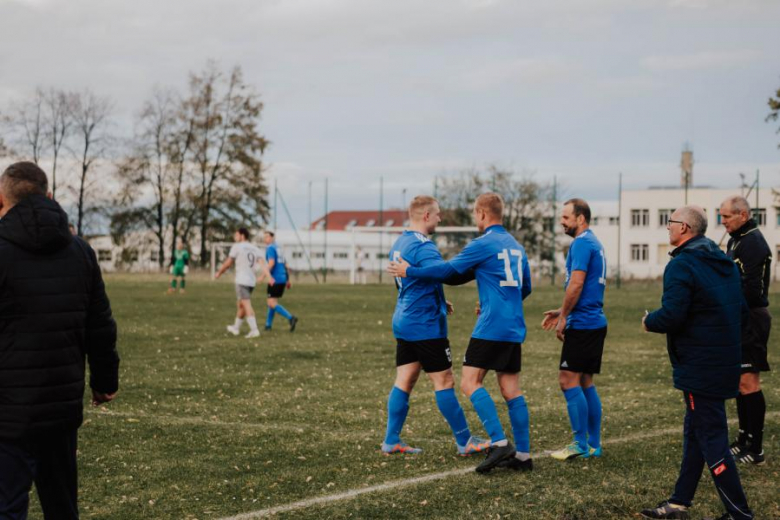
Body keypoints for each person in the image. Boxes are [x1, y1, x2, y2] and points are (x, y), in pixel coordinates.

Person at [0, 162, 119, 519]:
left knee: (6, 508)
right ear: (49, 196)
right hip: (60, 407)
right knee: (62, 507)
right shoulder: (81, 252)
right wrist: (104, 381)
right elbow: (100, 325)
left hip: (9, 409)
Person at [388, 192, 533, 474]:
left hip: (489, 325)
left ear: (481, 214)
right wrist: (500, 298)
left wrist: (411, 272)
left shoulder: (482, 243)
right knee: (511, 389)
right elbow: (524, 287)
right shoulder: (516, 246)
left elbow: (450, 270)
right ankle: (524, 456)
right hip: (513, 324)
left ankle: (499, 442)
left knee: (468, 382)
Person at [640, 205, 753, 520]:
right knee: (695, 431)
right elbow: (742, 313)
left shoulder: (682, 265)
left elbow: (673, 315)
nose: (667, 228)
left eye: (670, 222)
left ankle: (739, 513)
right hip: (724, 361)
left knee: (712, 437)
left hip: (700, 366)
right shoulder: (725, 263)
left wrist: (651, 320)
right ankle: (679, 502)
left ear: (685, 229)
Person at [381, 195, 489, 457]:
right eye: (438, 213)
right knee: (444, 380)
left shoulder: (401, 241)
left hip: (405, 319)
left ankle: (391, 440)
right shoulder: (424, 247)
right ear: (426, 216)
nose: (440, 218)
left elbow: (415, 280)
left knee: (405, 379)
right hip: (425, 324)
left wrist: (439, 299)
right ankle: (465, 441)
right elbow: (444, 273)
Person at [542, 198, 607, 461]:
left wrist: (565, 316)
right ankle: (594, 445)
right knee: (584, 380)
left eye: (566, 217)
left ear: (581, 218)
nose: (562, 221)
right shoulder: (594, 243)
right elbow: (584, 288)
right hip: (593, 320)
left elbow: (577, 284)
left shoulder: (581, 243)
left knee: (567, 380)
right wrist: (562, 310)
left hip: (583, 323)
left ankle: (580, 443)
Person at [720, 196, 772, 466]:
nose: (723, 221)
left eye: (727, 216)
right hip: (737, 317)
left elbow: (752, 291)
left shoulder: (753, 242)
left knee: (749, 383)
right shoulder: (734, 240)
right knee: (739, 382)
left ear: (742, 214)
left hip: (752, 317)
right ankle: (742, 441)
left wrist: (723, 295)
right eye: (721, 216)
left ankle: (756, 448)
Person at [215, 228, 270, 339]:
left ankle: (254, 330)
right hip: (251, 281)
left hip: (242, 280)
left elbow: (228, 263)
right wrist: (268, 276)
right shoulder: (255, 248)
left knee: (246, 305)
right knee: (241, 305)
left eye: (236, 235)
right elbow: (263, 264)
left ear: (242, 236)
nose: (235, 237)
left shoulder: (237, 247)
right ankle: (236, 328)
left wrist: (219, 273)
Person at [262, 231, 298, 332]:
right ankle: (268, 325)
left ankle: (291, 318)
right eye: (264, 237)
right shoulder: (279, 248)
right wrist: (287, 279)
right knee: (272, 302)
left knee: (271, 302)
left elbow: (271, 263)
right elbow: (286, 265)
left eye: (267, 237)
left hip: (275, 279)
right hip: (282, 278)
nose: (265, 239)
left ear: (272, 238)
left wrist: (262, 275)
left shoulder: (270, 248)